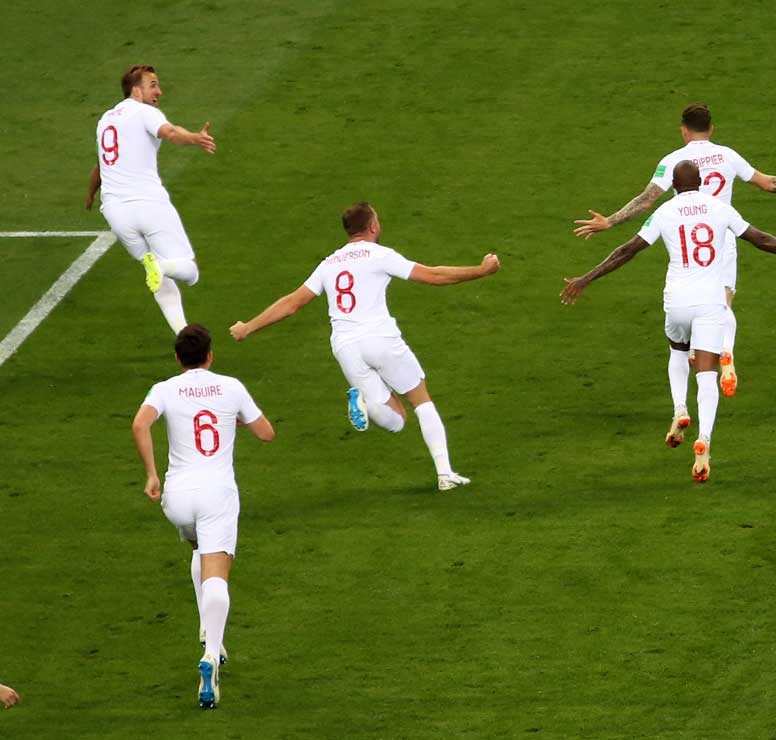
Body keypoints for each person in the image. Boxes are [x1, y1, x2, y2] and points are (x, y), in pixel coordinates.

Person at [563, 161, 776, 481]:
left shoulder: (664, 212)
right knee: (707, 373)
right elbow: (760, 239)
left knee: (678, 352)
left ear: (675, 185)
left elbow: (627, 251)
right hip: (710, 302)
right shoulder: (718, 207)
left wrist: (586, 278)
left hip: (677, 302)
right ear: (702, 182)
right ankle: (704, 439)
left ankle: (680, 409)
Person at [229, 202, 499, 490]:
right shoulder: (379, 255)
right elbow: (433, 276)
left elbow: (292, 303)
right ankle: (445, 474)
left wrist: (248, 327)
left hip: (345, 347)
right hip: (380, 338)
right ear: (372, 226)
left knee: (396, 421)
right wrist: (481, 271)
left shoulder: (329, 264)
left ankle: (367, 405)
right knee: (421, 401)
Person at [574, 103, 776, 397]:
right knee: (722, 302)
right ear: (712, 128)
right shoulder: (727, 155)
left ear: (683, 130)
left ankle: (697, 354)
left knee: (689, 298)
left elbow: (646, 201)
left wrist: (610, 221)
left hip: (685, 237)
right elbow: (767, 183)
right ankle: (725, 351)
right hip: (724, 235)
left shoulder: (673, 160)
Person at [131, 324, 275, 708]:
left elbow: (140, 423)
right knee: (217, 567)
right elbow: (266, 433)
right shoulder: (231, 387)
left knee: (198, 547)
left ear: (179, 359)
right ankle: (211, 654)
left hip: (177, 497)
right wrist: (234, 418)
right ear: (211, 355)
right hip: (216, 495)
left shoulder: (164, 388)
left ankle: (207, 632)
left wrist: (151, 473)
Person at [86, 64, 217, 334]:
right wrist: (195, 138)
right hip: (147, 204)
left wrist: (89, 194)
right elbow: (170, 132)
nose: (159, 91)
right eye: (153, 85)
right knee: (189, 271)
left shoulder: (106, 120)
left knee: (155, 273)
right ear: (136, 90)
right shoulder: (145, 112)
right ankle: (161, 264)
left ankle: (183, 334)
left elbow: (100, 165)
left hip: (115, 212)